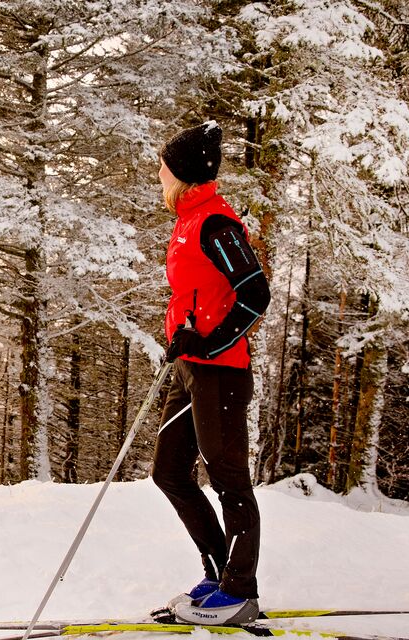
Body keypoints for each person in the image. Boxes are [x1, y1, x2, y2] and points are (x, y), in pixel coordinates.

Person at [151, 121, 271, 625]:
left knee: (228, 478)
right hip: (191, 368)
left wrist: (207, 340)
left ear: (181, 172)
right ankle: (219, 569)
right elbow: (196, 296)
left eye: (163, 165)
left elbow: (255, 294)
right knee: (169, 472)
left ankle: (241, 591)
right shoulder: (185, 221)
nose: (157, 173)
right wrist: (182, 338)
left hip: (220, 371)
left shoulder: (215, 223)